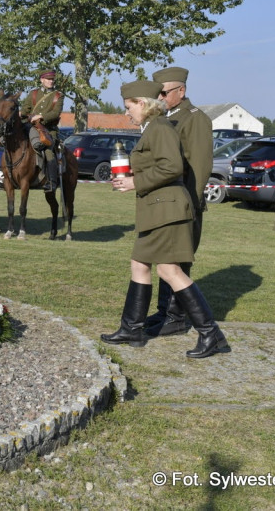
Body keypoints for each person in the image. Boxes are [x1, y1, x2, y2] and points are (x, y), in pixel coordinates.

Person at [101, 80, 229, 359]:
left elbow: (172, 166)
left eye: (129, 107)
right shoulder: (154, 128)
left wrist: (136, 182)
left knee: (170, 271)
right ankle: (132, 328)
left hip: (167, 210)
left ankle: (211, 334)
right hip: (158, 209)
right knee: (140, 264)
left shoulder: (160, 128)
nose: (126, 113)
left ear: (143, 104)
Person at [145, 66, 214, 337]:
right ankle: (164, 312)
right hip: (164, 202)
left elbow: (198, 165)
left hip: (183, 203)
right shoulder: (163, 118)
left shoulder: (195, 119)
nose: (159, 98)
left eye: (163, 92)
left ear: (181, 91)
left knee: (177, 261)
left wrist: (191, 205)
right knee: (165, 258)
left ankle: (174, 317)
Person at [19, 70, 64, 190]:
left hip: (48, 130)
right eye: (48, 79)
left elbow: (55, 113)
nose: (51, 81)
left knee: (49, 151)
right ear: (42, 80)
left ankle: (52, 182)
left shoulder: (58, 96)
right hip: (31, 127)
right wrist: (20, 114)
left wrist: (41, 116)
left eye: (52, 79)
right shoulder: (33, 93)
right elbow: (25, 109)